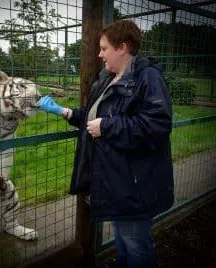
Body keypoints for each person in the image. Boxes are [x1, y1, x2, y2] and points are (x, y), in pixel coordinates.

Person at [38, 20, 174, 268]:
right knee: (123, 243)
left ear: (122, 47)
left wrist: (108, 127)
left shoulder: (148, 77)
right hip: (116, 181)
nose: (99, 54)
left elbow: (157, 126)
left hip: (135, 185)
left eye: (104, 48)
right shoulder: (108, 78)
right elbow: (95, 117)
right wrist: (65, 112)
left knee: (136, 247)